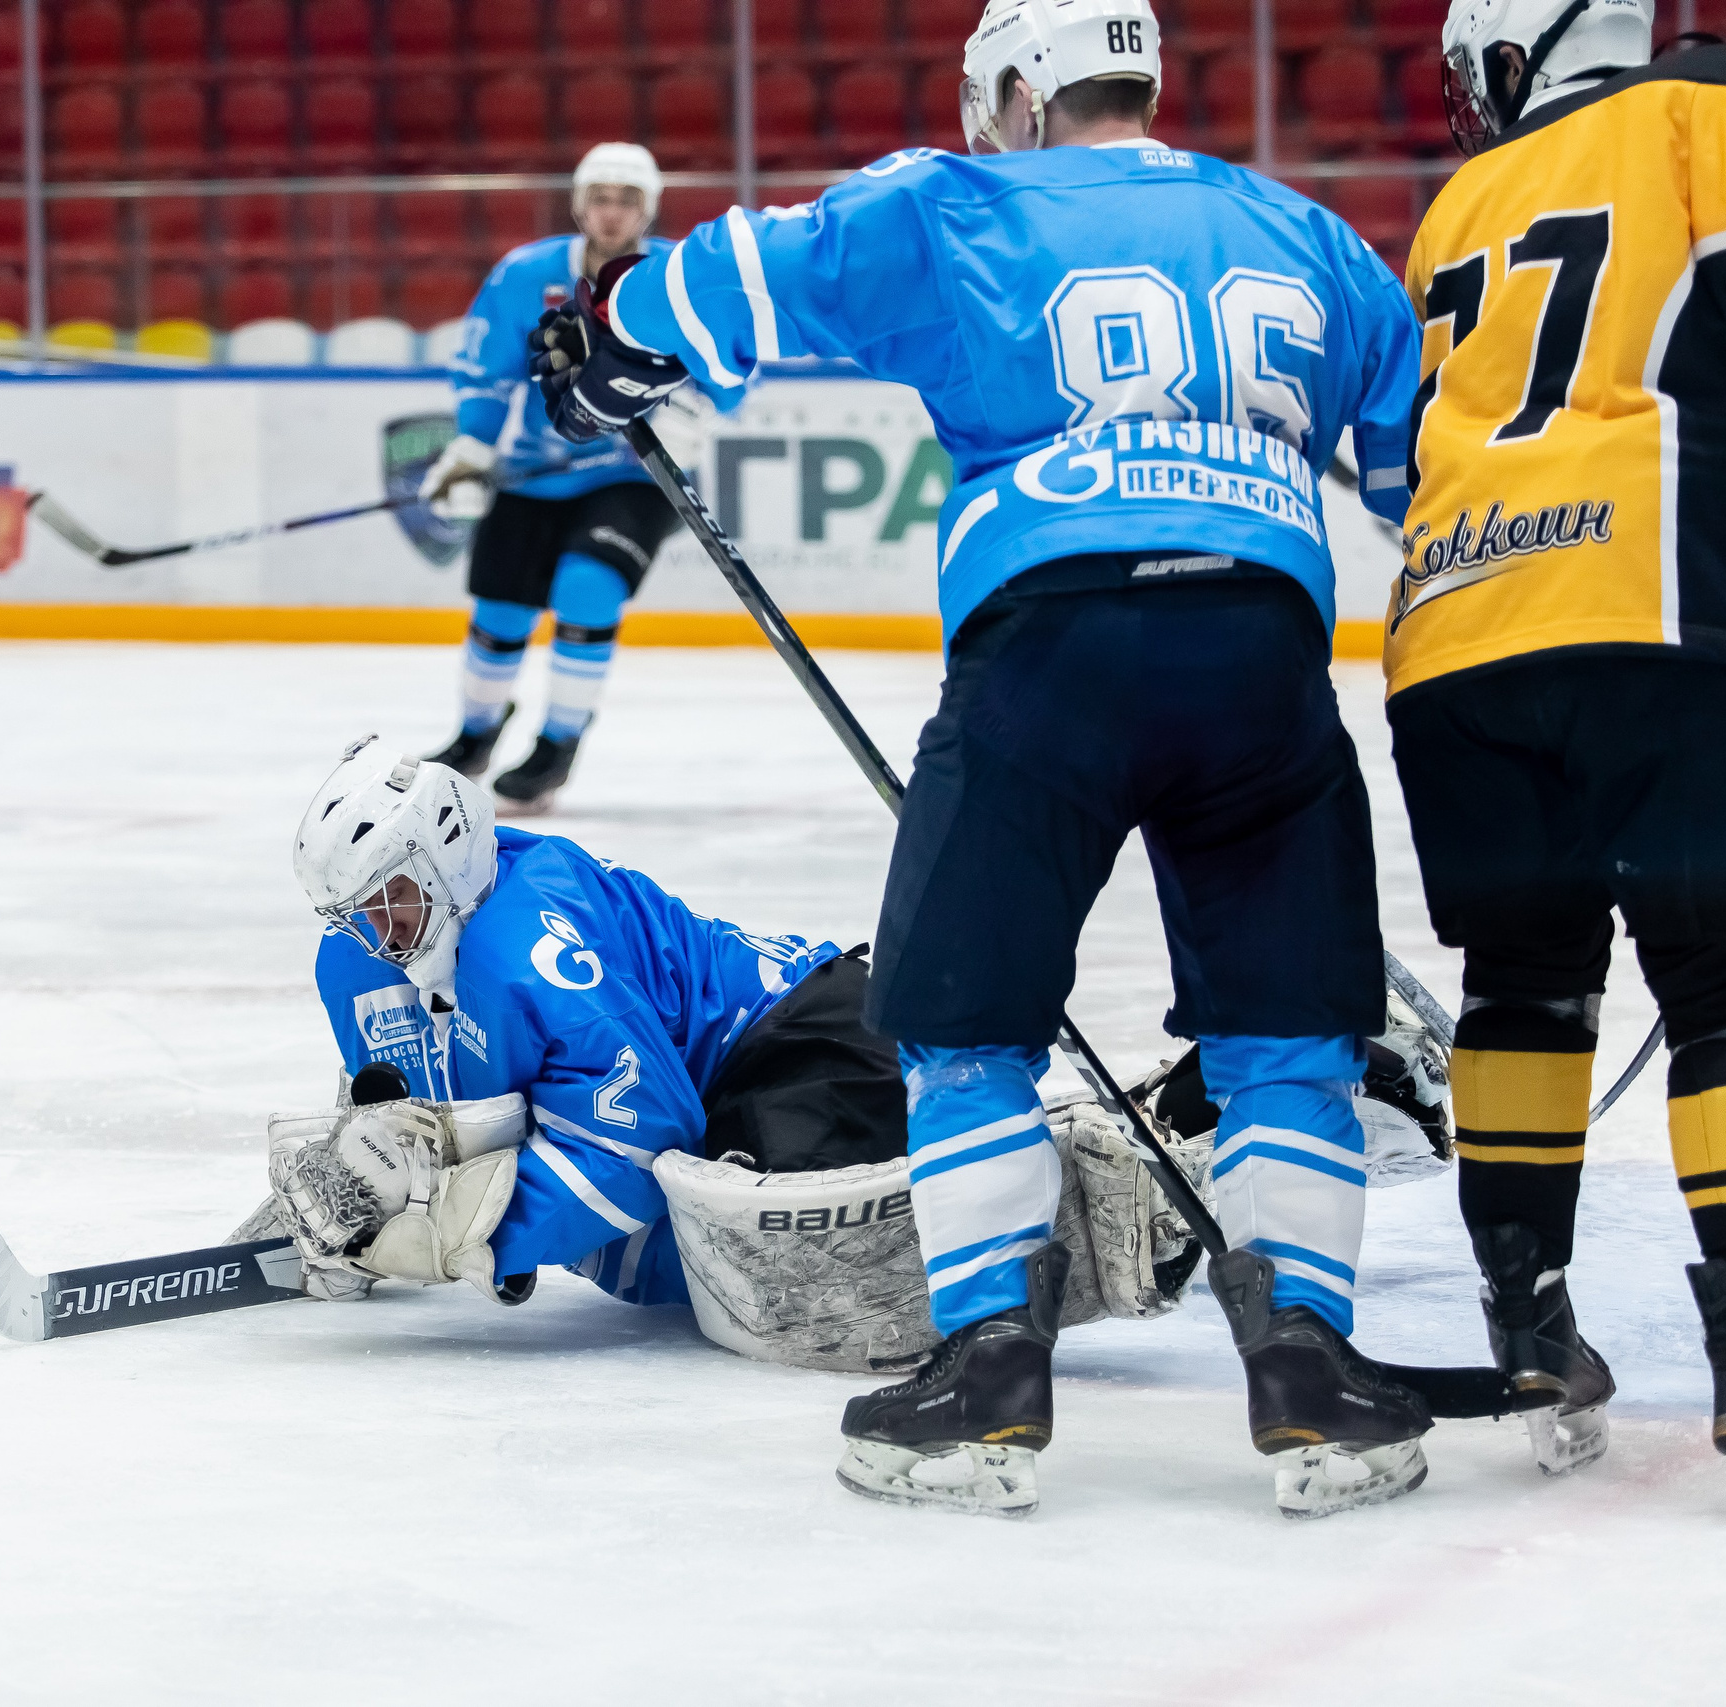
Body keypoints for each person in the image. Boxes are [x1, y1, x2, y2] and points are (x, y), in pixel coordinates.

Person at [532, 0, 1429, 1517]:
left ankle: (990, 1373)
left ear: (1020, 87)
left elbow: (750, 267)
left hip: (1052, 651)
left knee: (964, 1017)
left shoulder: (959, 201)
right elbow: (1423, 469)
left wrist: (615, 334)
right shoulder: (1306, 230)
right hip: (1264, 651)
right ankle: (1314, 1373)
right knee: (1291, 1030)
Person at [1395, 0, 1726, 1520]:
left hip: (1451, 634)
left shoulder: (1454, 204)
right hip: (1639, 613)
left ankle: (1529, 1322)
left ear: (1515, 54)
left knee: (1525, 980)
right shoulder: (1680, 108)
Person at [239, 736, 939, 1371]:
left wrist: (454, 1238)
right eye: (351, 913)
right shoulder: (362, 962)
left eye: (388, 899)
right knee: (690, 1259)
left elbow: (645, 1139)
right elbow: (432, 1129)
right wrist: (367, 1201)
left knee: (778, 1271)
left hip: (804, 1045)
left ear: (447, 859)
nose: (373, 934)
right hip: (718, 1096)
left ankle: (981, 1181)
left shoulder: (529, 943)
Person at [411, 142, 710, 814]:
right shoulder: (526, 275)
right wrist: (471, 448)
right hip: (534, 472)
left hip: (637, 476)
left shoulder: (679, 273)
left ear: (648, 208)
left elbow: (727, 354)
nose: (612, 213)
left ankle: (558, 742)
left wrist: (697, 409)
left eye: (627, 200)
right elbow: (487, 369)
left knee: (587, 586)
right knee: (499, 609)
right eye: (600, 198)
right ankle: (475, 734)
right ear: (580, 204)